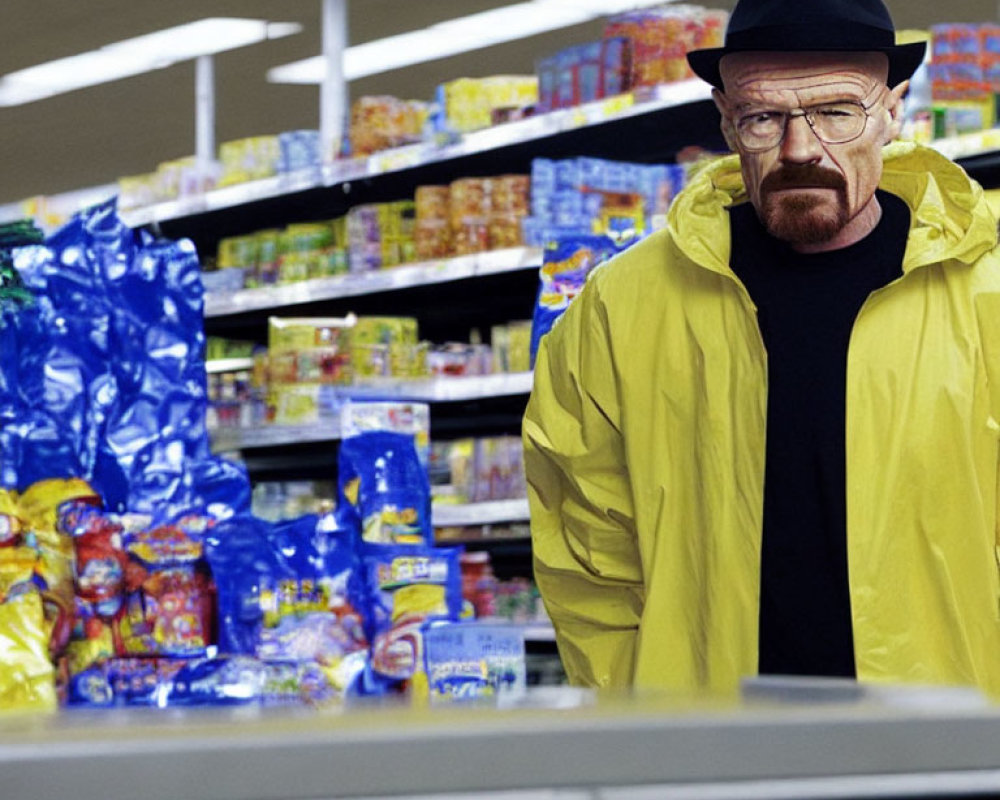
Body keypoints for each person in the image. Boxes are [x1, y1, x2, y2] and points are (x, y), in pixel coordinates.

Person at [523, 0, 1000, 697]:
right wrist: (641, 715)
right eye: (764, 117)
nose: (801, 149)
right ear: (725, 122)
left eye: (838, 111)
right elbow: (587, 554)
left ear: (894, 110)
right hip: (708, 745)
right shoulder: (620, 308)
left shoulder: (986, 290)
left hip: (949, 737)